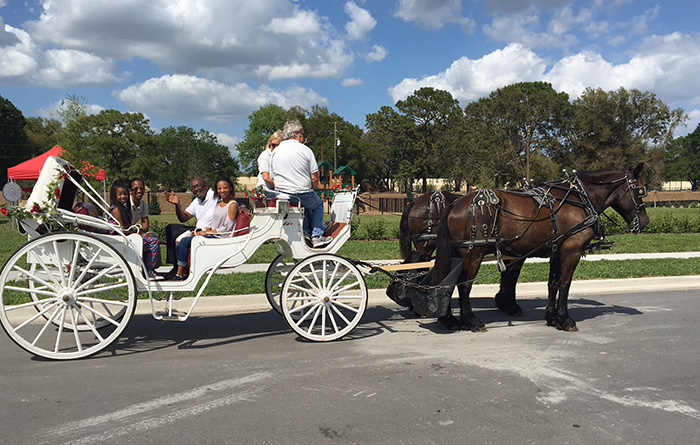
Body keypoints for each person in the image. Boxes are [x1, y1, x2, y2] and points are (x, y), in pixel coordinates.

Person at [270, 120, 331, 248]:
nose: (303, 138)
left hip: (282, 195)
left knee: (305, 206)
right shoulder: (305, 150)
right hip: (302, 191)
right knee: (317, 204)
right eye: (303, 135)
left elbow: (272, 176)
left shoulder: (275, 151)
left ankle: (305, 232)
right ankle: (317, 235)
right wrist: (312, 189)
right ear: (296, 134)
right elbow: (314, 177)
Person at [174, 176, 240, 280]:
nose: (222, 191)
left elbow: (227, 229)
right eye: (219, 189)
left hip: (221, 237)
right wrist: (201, 232)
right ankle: (180, 270)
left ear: (231, 188)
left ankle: (180, 273)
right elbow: (213, 224)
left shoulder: (231, 205)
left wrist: (205, 233)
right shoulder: (219, 204)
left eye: (225, 188)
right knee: (179, 237)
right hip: (212, 234)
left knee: (185, 241)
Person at [161, 177, 217, 279]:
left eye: (198, 186)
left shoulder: (214, 196)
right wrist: (177, 205)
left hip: (208, 231)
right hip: (198, 229)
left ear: (206, 186)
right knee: (171, 228)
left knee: (176, 234)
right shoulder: (197, 201)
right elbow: (184, 218)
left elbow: (230, 200)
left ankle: (179, 270)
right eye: (193, 187)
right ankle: (174, 266)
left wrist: (242, 206)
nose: (195, 189)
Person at [129, 178, 161, 278]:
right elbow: (124, 228)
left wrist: (141, 233)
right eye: (135, 189)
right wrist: (139, 233)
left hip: (132, 232)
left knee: (153, 235)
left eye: (141, 189)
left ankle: (153, 266)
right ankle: (148, 270)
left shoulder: (143, 205)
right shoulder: (125, 203)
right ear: (130, 191)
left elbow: (146, 226)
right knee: (152, 241)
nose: (139, 191)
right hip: (125, 234)